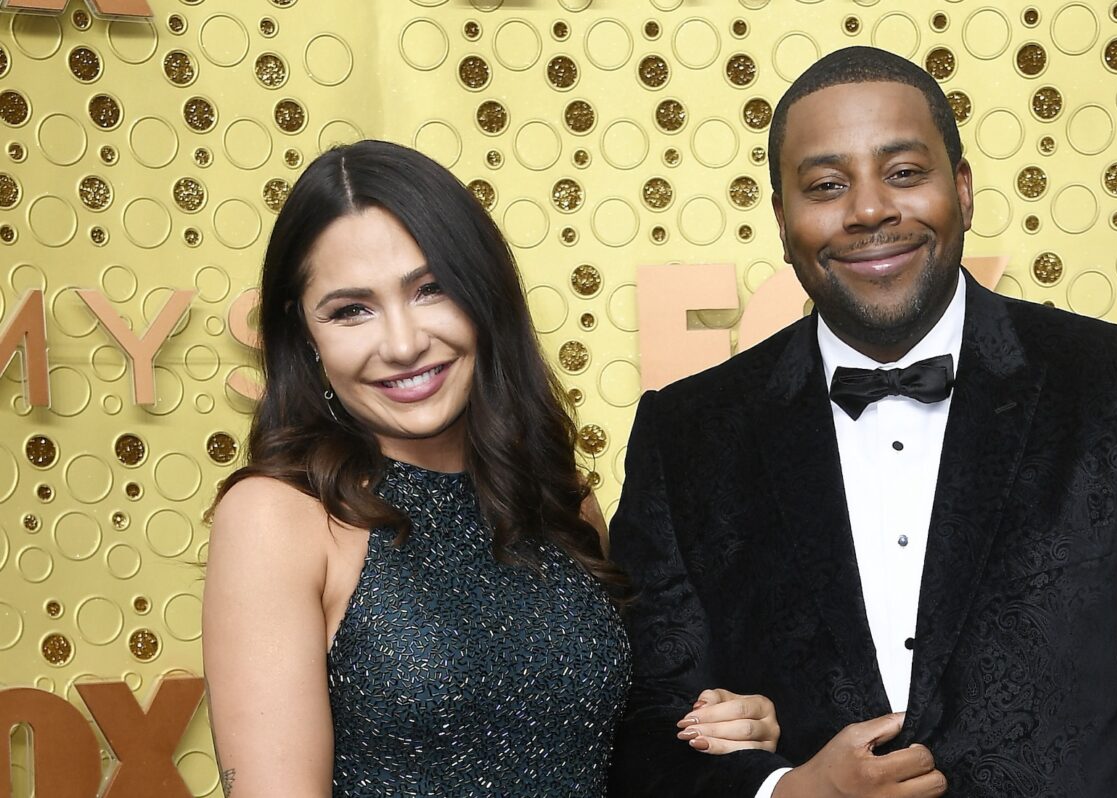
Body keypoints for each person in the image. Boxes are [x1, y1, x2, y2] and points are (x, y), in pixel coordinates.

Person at [608, 47, 1117, 797]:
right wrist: (781, 789)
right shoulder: (686, 434)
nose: (869, 210)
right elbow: (641, 730)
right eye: (826, 185)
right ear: (782, 220)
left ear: (962, 189)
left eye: (903, 173)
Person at [201, 140, 780, 797]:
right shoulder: (279, 517)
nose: (403, 344)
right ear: (304, 333)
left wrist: (722, 737)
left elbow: (607, 757)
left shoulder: (561, 501)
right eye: (351, 310)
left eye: (431, 290)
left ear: (484, 295)